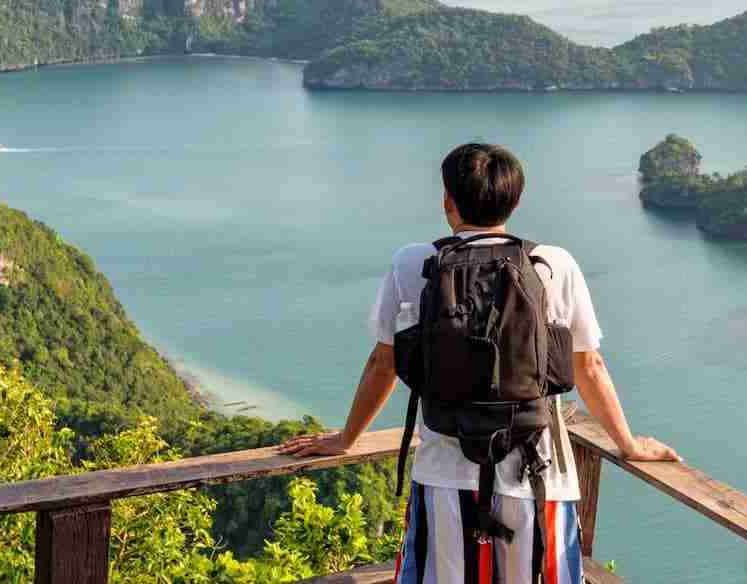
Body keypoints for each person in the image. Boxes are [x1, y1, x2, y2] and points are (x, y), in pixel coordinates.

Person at [280, 142, 680, 584]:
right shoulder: (553, 264)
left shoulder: (414, 263)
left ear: (448, 200)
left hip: (445, 474)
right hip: (538, 475)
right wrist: (629, 445)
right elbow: (590, 367)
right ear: (516, 200)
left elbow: (383, 364)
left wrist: (346, 438)